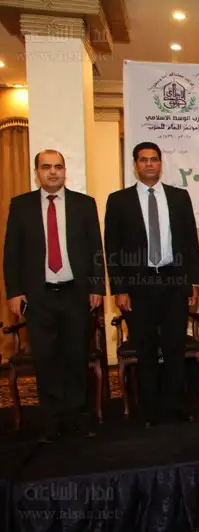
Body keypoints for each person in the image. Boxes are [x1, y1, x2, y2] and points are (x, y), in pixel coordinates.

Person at [3, 150, 105, 442]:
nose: (52, 172)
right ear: (36, 172)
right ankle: (50, 421)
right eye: (46, 167)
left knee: (76, 357)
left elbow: (95, 250)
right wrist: (14, 292)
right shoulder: (21, 205)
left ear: (64, 171)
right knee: (46, 359)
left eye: (58, 166)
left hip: (76, 294)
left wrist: (97, 288)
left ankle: (78, 417)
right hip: (39, 297)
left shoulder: (84, 204)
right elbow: (12, 253)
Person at [104, 141, 199, 427]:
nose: (149, 164)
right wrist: (119, 289)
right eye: (143, 159)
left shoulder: (179, 197)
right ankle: (149, 410)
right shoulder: (119, 200)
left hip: (173, 281)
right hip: (138, 284)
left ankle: (176, 406)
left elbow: (190, 243)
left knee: (174, 348)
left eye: (154, 159)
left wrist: (193, 282)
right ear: (135, 164)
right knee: (145, 350)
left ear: (160, 163)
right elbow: (112, 248)